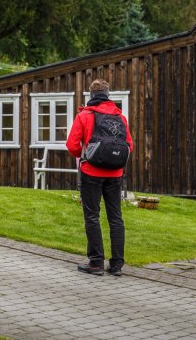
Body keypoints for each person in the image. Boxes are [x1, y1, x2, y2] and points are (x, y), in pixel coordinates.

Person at [66, 79, 133, 277]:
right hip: (115, 174)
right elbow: (130, 145)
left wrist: (87, 154)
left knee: (92, 216)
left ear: (91, 96)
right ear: (108, 95)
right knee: (116, 218)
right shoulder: (120, 117)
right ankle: (117, 265)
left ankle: (96, 263)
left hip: (91, 172)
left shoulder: (85, 115)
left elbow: (72, 145)